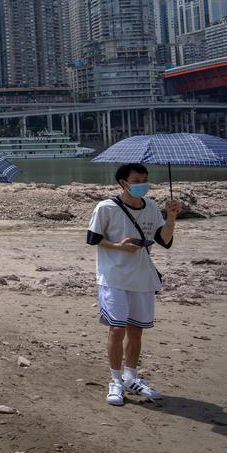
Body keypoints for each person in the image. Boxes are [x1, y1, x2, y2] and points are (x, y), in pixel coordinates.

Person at [86, 163, 182, 406]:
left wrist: (171, 218)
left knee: (136, 329)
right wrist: (119, 246)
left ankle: (131, 377)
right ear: (123, 182)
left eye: (145, 179)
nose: (142, 184)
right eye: (137, 180)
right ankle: (115, 380)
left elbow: (164, 240)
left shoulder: (151, 206)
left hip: (142, 277)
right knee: (117, 329)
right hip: (114, 276)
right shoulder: (106, 207)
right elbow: (93, 238)